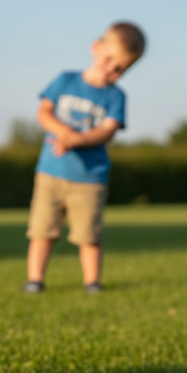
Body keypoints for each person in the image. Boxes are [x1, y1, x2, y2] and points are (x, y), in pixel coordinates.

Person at [23, 22, 145, 294]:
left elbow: (108, 131)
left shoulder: (116, 96)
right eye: (109, 59)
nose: (111, 70)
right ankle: (35, 280)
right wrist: (65, 132)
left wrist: (77, 140)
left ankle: (92, 282)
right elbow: (43, 113)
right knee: (42, 230)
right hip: (51, 173)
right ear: (96, 47)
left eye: (120, 69)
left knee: (89, 235)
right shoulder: (65, 80)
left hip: (90, 179)